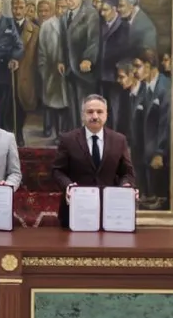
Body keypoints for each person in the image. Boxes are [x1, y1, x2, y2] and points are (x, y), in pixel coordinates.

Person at [52, 94, 136, 228]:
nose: (95, 116)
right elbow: (57, 171)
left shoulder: (119, 140)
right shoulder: (68, 140)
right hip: (75, 211)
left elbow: (127, 172)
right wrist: (68, 186)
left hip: (110, 212)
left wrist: (125, 186)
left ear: (106, 115)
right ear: (82, 115)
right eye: (90, 112)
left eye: (99, 112)